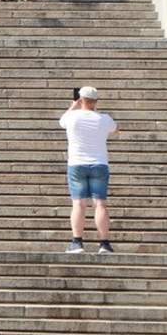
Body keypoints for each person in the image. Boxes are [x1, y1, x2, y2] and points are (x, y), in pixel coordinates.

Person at [61, 86, 119, 253]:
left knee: (78, 204)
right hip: (100, 164)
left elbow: (62, 122)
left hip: (76, 164)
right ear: (96, 101)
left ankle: (77, 242)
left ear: (80, 99)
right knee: (100, 204)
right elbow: (116, 129)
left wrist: (73, 105)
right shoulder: (104, 119)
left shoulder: (71, 117)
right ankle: (104, 243)